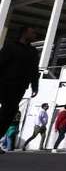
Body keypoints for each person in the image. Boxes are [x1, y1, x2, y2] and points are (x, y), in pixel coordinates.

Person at [0, 26, 41, 154]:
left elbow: (34, 70)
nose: (35, 34)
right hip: (4, 83)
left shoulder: (33, 51)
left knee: (9, 113)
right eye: (32, 32)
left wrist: (35, 85)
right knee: (5, 113)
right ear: (24, 33)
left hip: (19, 87)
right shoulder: (11, 46)